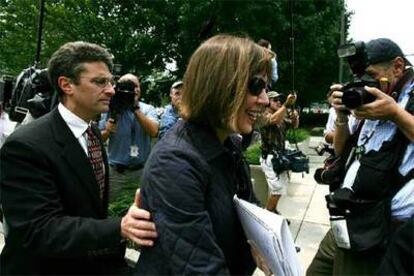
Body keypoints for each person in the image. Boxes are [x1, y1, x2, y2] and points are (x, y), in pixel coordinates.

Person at [0, 41, 157, 275]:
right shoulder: (25, 145)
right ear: (66, 85)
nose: (111, 90)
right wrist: (120, 227)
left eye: (111, 82)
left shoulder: (92, 132)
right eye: (99, 82)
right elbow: (39, 230)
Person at [134, 34, 273, 275]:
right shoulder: (175, 163)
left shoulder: (228, 145)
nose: (265, 100)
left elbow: (249, 209)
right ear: (220, 85)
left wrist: (264, 243)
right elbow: (200, 268)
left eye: (266, 88)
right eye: (256, 86)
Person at [307, 38, 414, 275]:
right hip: (349, 219)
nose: (364, 85)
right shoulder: (371, 99)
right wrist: (342, 115)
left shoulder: (405, 100)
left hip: (380, 229)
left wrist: (396, 113)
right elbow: (340, 151)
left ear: (397, 67)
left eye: (370, 76)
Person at [99, 73, 159, 200]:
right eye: (127, 86)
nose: (133, 90)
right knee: (114, 209)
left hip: (141, 172)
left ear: (140, 88)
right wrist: (107, 130)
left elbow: (153, 132)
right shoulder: (110, 108)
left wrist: (135, 108)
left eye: (135, 86)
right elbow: (98, 139)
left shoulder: (148, 109)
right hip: (116, 173)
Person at [257, 91, 298, 216]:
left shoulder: (280, 115)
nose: (278, 102)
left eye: (279, 100)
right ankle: (268, 214)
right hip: (269, 157)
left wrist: (295, 117)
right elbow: (273, 120)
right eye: (275, 100)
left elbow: (294, 126)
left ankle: (273, 211)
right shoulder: (262, 115)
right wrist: (286, 105)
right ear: (267, 102)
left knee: (281, 188)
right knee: (277, 189)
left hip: (280, 157)